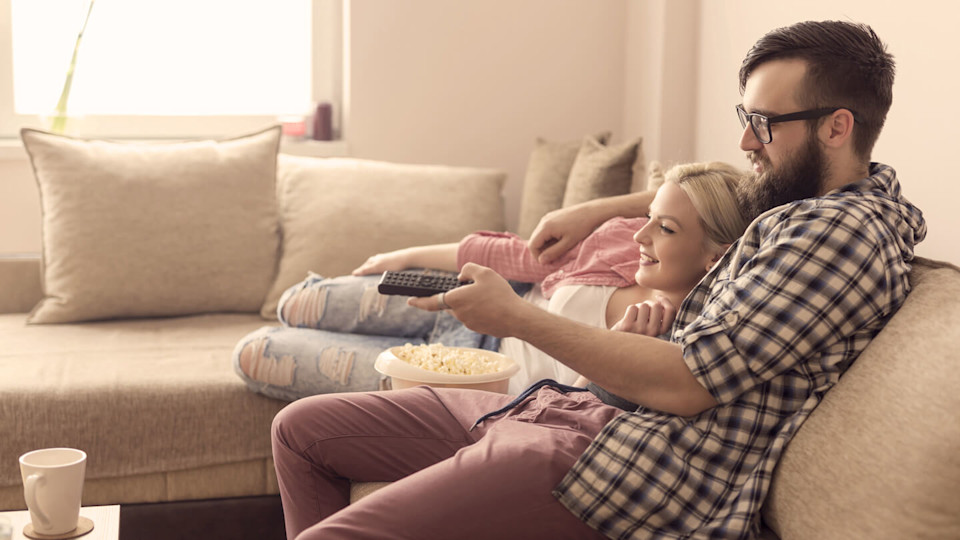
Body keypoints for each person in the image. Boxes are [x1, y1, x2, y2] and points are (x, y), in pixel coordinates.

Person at [271, 20, 926, 540]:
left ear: (837, 126)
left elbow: (689, 384)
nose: (747, 141)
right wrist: (597, 209)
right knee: (301, 431)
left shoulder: (838, 235)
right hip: (578, 412)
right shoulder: (799, 203)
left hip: (629, 468)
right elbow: (699, 191)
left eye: (763, 123)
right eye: (744, 117)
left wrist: (517, 317)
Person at [234, 161, 748, 400]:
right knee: (300, 300)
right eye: (648, 218)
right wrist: (404, 255)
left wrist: (619, 350)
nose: (642, 236)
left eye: (665, 228)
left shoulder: (678, 337)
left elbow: (569, 419)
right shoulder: (619, 240)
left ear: (714, 257)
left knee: (256, 352)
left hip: (473, 379)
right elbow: (520, 257)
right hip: (471, 304)